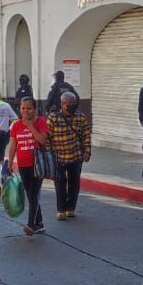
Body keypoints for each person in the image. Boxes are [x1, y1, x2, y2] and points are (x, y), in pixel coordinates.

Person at [7, 97, 49, 235]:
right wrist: (9, 162)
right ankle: (40, 223)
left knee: (33, 194)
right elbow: (13, 146)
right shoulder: (16, 125)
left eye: (29, 108)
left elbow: (42, 140)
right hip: (23, 165)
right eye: (23, 108)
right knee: (31, 195)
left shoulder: (41, 121)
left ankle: (31, 224)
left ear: (35, 109)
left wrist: (31, 126)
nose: (25, 111)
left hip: (37, 164)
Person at [49, 91, 92, 220]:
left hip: (76, 156)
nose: (72, 106)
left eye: (74, 104)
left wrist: (87, 151)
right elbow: (48, 137)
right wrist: (49, 154)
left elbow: (86, 136)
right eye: (69, 104)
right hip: (59, 157)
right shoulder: (53, 118)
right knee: (60, 183)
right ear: (62, 104)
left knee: (74, 183)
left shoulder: (81, 117)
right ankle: (61, 209)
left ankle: (70, 208)